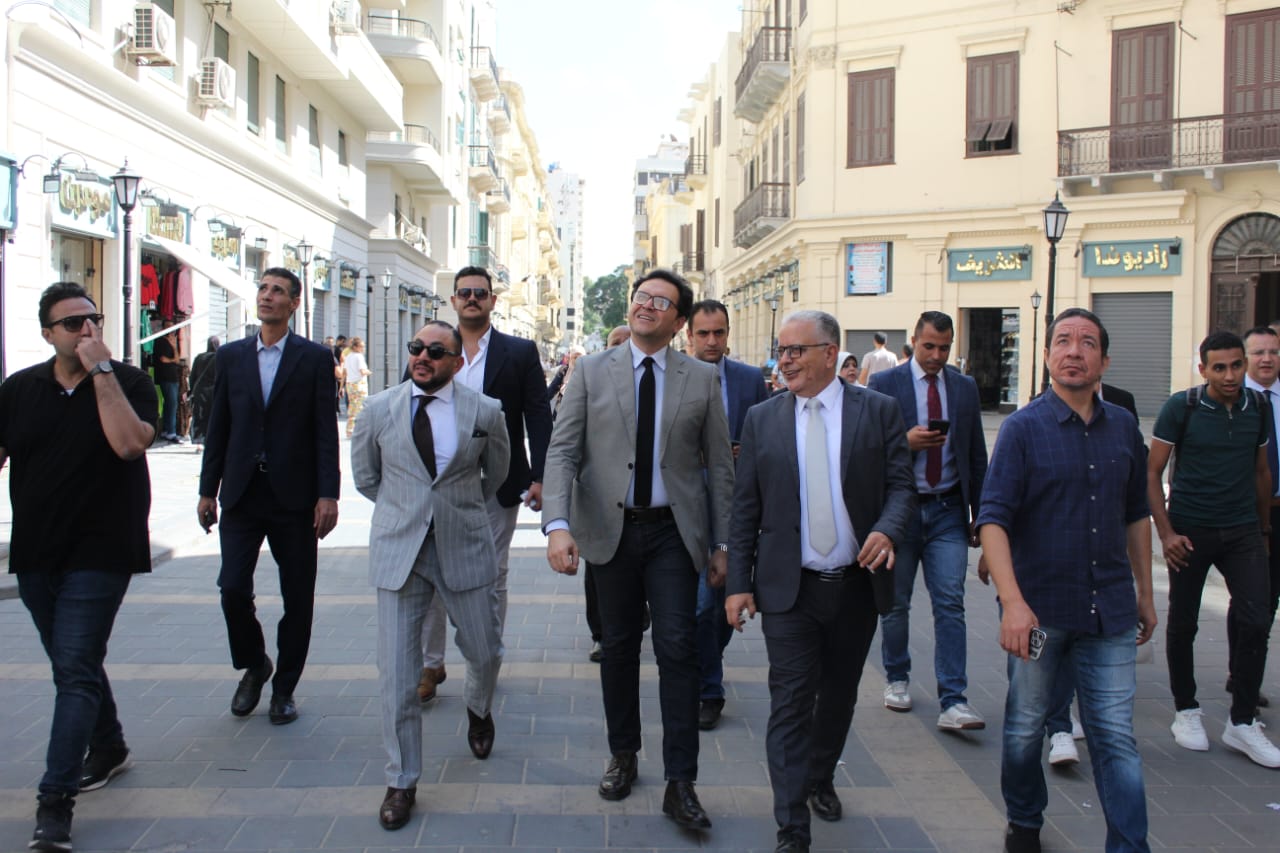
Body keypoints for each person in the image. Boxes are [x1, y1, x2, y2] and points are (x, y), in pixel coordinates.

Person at [542, 269, 734, 831]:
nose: (647, 306)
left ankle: (681, 782)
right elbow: (562, 451)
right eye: (641, 297)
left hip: (674, 533)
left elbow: (719, 468)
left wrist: (723, 543)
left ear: (679, 322)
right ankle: (623, 753)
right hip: (612, 531)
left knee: (678, 647)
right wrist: (557, 524)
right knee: (619, 647)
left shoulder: (701, 378)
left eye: (661, 302)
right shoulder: (589, 371)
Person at [726, 309, 913, 853]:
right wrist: (738, 583)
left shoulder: (878, 411)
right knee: (789, 702)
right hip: (789, 588)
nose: (784, 361)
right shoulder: (762, 419)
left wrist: (887, 528)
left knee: (837, 696)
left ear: (831, 354)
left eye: (796, 351)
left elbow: (902, 487)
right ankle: (792, 829)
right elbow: (744, 508)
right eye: (780, 351)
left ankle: (819, 776)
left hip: (855, 585)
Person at [977, 307, 1154, 853]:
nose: (1074, 351)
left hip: (1110, 611)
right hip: (1039, 611)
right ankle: (1024, 820)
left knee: (1115, 736)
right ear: (1048, 354)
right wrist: (1012, 603)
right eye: (1063, 341)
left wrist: (1146, 593)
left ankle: (1130, 845)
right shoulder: (1022, 428)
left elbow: (1137, 514)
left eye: (1087, 342)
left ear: (1104, 359)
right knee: (1025, 727)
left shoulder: (1123, 426)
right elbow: (993, 519)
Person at [2, 283, 157, 851]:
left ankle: (54, 803)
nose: (87, 330)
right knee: (75, 664)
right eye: (72, 324)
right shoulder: (19, 389)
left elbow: (130, 444)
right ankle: (109, 744)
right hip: (37, 552)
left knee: (72, 670)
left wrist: (101, 372)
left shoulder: (130, 382)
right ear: (48, 334)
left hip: (103, 550)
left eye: (94, 319)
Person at [351, 321, 510, 830]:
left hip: (464, 545)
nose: (423, 357)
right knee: (398, 675)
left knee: (485, 650)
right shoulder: (378, 409)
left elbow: (497, 474)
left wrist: (456, 510)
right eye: (416, 348)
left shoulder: (485, 411)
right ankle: (401, 779)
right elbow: (366, 478)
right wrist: (408, 511)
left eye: (436, 351)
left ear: (457, 362)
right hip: (401, 551)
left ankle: (479, 709)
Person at [197, 267, 340, 726]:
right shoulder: (232, 356)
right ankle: (255, 664)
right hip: (242, 492)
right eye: (262, 288)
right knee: (232, 588)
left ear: (294, 303)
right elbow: (219, 426)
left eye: (277, 291)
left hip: (294, 497)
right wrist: (207, 490)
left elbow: (325, 431)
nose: (266, 296)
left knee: (297, 596)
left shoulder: (314, 358)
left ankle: (284, 690)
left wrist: (328, 494)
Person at [414, 266, 552, 703]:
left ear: (493, 300)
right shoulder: (433, 346)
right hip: (439, 482)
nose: (472, 298)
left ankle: (485, 659)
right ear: (453, 300)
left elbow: (537, 413)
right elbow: (409, 404)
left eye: (480, 292)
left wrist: (541, 476)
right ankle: (430, 664)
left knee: (492, 574)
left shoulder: (519, 351)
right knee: (432, 573)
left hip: (499, 480)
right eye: (464, 292)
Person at [1148, 330, 1279, 767]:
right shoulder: (1181, 407)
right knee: (1184, 621)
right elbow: (1151, 473)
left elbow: (1261, 472)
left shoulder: (1257, 407)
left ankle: (1242, 721)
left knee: (1256, 618)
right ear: (1203, 369)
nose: (1229, 375)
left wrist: (1263, 529)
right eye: (1219, 367)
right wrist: (1166, 534)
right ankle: (1186, 710)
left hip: (1243, 529)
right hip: (1190, 528)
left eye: (1236, 365)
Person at [869, 311, 989, 730]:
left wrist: (981, 517)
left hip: (947, 510)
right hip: (900, 510)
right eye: (929, 346)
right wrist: (905, 442)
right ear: (914, 340)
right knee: (896, 603)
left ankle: (954, 698)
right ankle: (897, 677)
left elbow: (976, 454)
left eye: (945, 348)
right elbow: (866, 449)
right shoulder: (886, 384)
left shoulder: (964, 388)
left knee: (950, 603)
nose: (937, 356)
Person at [685, 299, 769, 730]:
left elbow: (768, 433)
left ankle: (707, 662)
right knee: (703, 603)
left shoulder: (749, 379)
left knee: (723, 601)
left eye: (719, 332)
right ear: (689, 336)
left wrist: (743, 452)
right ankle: (709, 689)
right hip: (689, 507)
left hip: (737, 506)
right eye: (704, 333)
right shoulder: (677, 377)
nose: (712, 341)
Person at [585, 324, 634, 662]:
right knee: (597, 575)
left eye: (628, 342)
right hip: (601, 502)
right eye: (615, 342)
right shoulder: (591, 380)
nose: (622, 347)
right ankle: (601, 634)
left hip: (643, 502)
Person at [1241, 326, 1280, 709]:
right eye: (1259, 352)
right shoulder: (1233, 400)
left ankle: (1248, 677)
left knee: (1269, 602)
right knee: (1251, 600)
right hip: (1246, 514)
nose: (1267, 359)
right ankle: (1243, 682)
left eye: (1274, 352)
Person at [188, 336, 219, 446]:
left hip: (200, 391)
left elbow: (192, 376)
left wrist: (192, 390)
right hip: (215, 391)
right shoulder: (219, 357)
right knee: (213, 416)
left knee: (200, 416)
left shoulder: (199, 357)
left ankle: (199, 442)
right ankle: (212, 440)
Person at [153, 325, 182, 442]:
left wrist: (174, 346)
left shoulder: (173, 343)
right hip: (166, 377)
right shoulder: (160, 341)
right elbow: (163, 359)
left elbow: (177, 359)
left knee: (169, 404)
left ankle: (166, 430)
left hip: (173, 377)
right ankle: (171, 431)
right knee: (172, 403)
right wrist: (172, 360)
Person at [343, 337, 372, 439]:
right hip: (359, 384)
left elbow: (345, 371)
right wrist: (369, 372)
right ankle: (358, 430)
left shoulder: (348, 356)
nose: (363, 348)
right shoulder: (359, 357)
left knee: (352, 407)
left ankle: (349, 430)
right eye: (361, 346)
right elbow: (362, 371)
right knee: (360, 407)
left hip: (350, 383)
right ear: (355, 347)